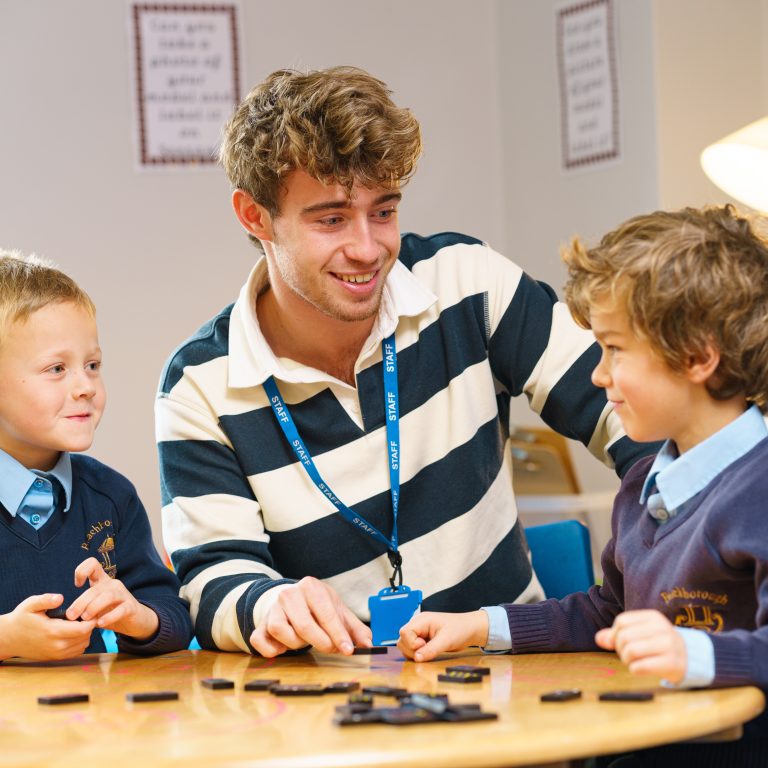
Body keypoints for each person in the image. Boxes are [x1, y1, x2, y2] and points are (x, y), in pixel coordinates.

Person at [156, 65, 651, 658]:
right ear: (255, 216)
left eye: (384, 211)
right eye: (331, 218)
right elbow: (212, 579)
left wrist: (671, 525)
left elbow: (636, 409)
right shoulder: (198, 386)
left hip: (508, 676)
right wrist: (267, 604)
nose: (368, 249)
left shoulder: (466, 282)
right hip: (338, 711)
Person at [398, 204, 768, 764]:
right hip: (639, 743)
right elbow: (603, 614)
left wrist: (693, 653)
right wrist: (480, 625)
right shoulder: (645, 485)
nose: (597, 375)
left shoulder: (758, 490)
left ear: (696, 356)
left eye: (614, 350)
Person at [0, 251, 193, 660]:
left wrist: (138, 617)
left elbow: (173, 614)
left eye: (92, 365)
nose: (85, 385)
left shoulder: (110, 496)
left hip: (83, 719)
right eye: (56, 369)